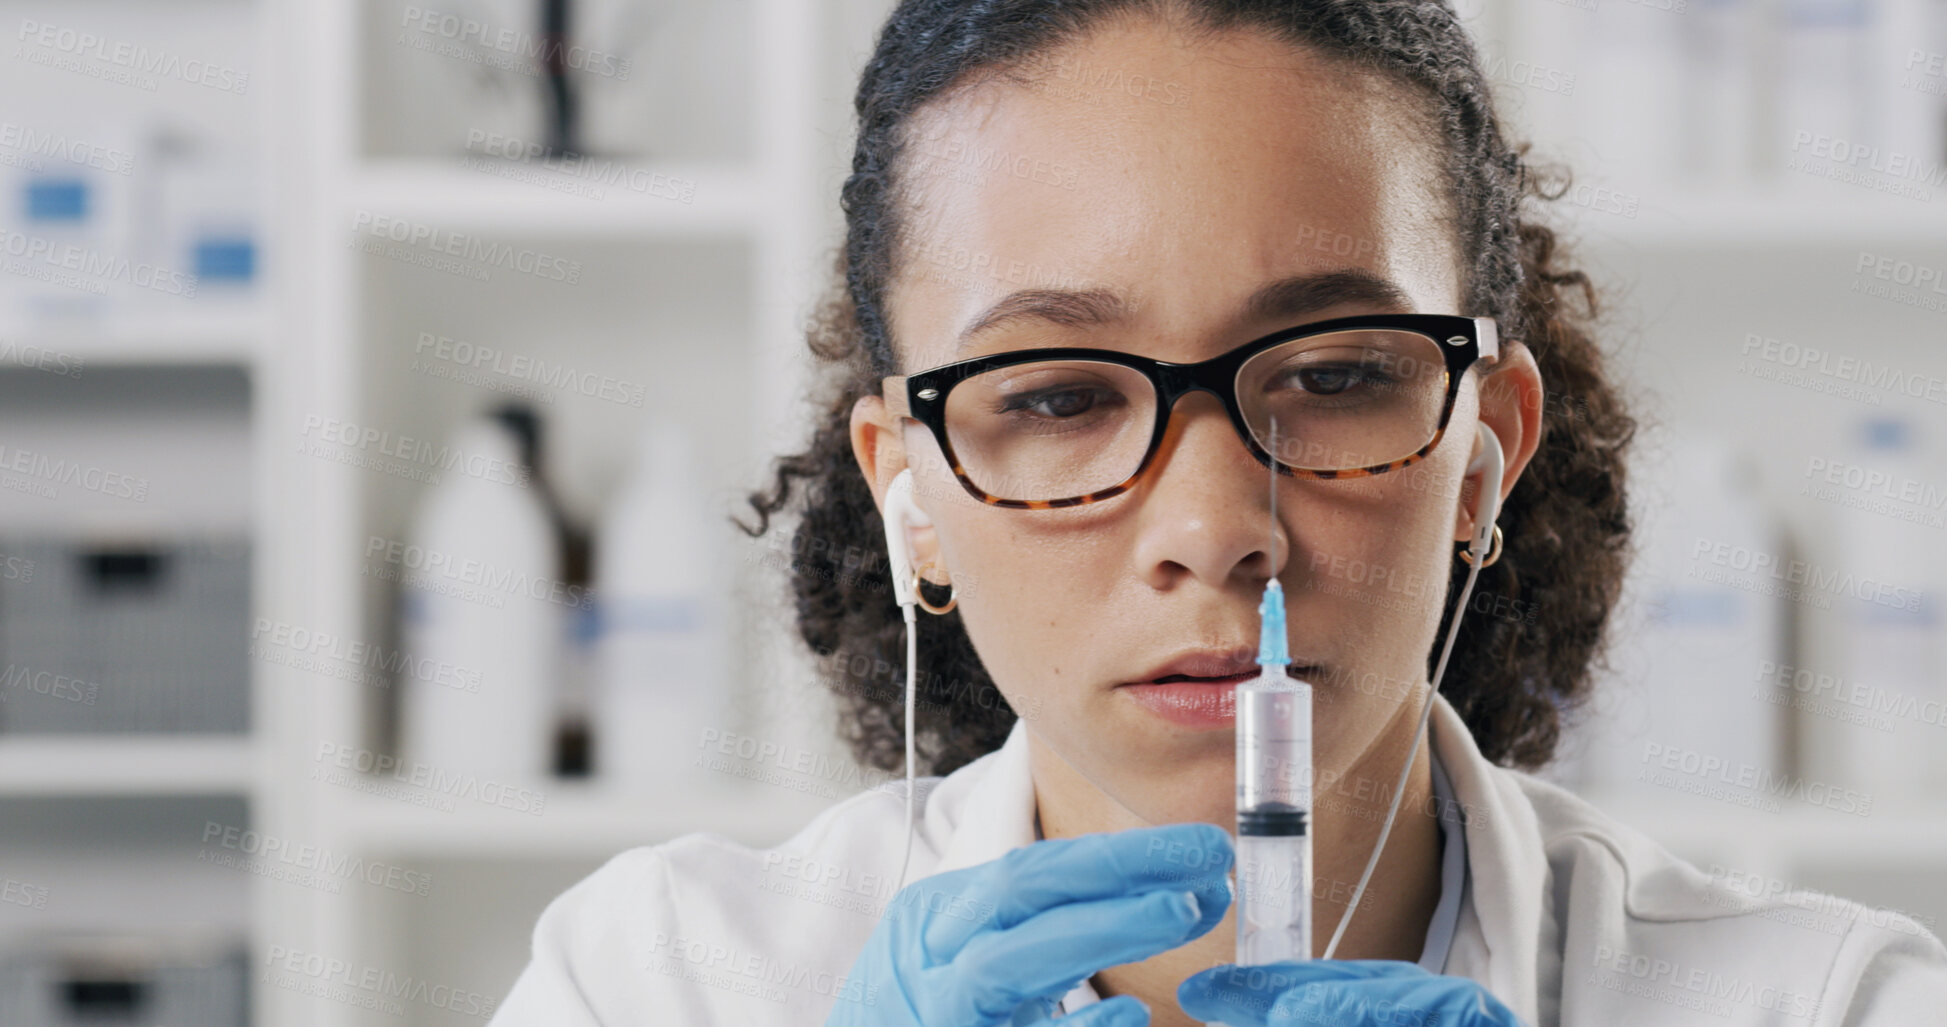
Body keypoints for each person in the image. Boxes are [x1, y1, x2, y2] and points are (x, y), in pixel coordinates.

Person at [489, 1, 1947, 1024]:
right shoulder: (662, 985)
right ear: (909, 493)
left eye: (1331, 374)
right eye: (1056, 395)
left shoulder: (1831, 1007)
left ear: (1485, 458)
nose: (1213, 525)